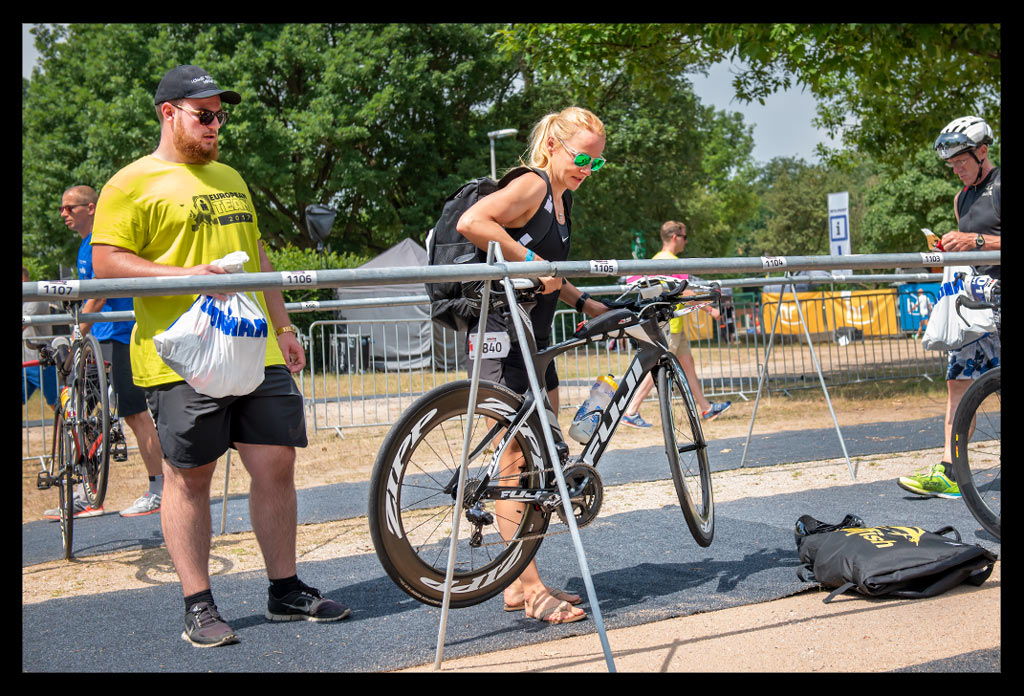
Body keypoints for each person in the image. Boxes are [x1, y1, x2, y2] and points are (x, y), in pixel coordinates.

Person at [91, 65, 349, 648]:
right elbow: (107, 263)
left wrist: (283, 323)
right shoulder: (130, 183)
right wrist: (187, 276)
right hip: (184, 358)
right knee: (191, 478)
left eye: (220, 117)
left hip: (255, 347)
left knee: (276, 463)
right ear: (168, 114)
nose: (214, 127)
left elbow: (256, 254)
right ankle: (198, 604)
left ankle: (285, 590)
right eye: (203, 115)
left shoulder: (231, 176)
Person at [456, 106, 610, 625]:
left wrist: (584, 302)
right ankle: (528, 585)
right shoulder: (533, 185)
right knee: (514, 465)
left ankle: (524, 586)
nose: (587, 169)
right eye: (581, 156)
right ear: (553, 146)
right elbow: (472, 223)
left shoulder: (562, 200)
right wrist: (527, 265)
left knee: (538, 463)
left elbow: (545, 269)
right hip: (502, 333)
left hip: (535, 336)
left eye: (597, 162)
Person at [42, 185, 165, 521]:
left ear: (92, 208)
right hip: (101, 336)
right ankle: (87, 492)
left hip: (122, 336)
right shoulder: (85, 246)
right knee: (80, 410)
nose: (64, 213)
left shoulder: (103, 240)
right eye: (62, 208)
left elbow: (100, 290)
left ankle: (159, 489)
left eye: (70, 207)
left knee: (135, 413)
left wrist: (75, 334)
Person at [898, 116, 1000, 499]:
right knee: (957, 384)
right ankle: (949, 470)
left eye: (962, 161)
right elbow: (971, 252)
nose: (956, 170)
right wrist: (943, 256)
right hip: (976, 303)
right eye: (952, 164)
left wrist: (973, 241)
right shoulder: (962, 198)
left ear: (982, 152)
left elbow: (982, 243)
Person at [620, 221, 731, 428]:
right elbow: (686, 292)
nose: (685, 242)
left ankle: (706, 407)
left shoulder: (654, 260)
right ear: (674, 237)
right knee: (658, 368)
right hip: (670, 326)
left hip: (671, 324)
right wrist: (711, 309)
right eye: (684, 237)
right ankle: (631, 410)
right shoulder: (672, 262)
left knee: (688, 366)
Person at [21, 267, 59, 412]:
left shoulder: (35, 298)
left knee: (55, 403)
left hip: (41, 361)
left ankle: (72, 431)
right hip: (26, 361)